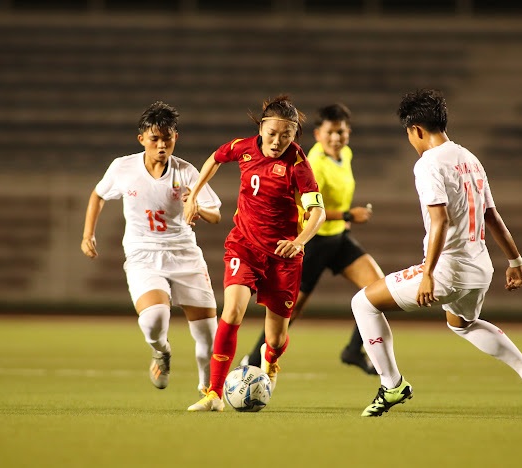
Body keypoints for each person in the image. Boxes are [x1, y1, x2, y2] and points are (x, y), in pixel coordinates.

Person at [351, 89, 522, 417]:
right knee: (462, 323)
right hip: (481, 269)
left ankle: (392, 386)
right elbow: (492, 216)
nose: (411, 142)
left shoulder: (428, 163)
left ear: (416, 129)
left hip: (448, 269)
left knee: (362, 303)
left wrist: (428, 275)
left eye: (409, 135)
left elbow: (440, 219)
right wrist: (515, 260)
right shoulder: (469, 158)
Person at [185, 95, 326, 412]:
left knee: (274, 339)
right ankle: (214, 394)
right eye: (272, 133)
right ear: (261, 128)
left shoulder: (298, 164)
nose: (278, 141)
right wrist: (193, 195)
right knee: (232, 312)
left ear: (294, 135)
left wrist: (300, 240)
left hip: (283, 257)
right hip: (244, 246)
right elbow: (215, 158)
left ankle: (271, 361)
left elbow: (318, 211)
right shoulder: (243, 147)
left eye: (286, 135)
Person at [81, 101, 222, 395]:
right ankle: (162, 351)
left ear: (175, 138)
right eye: (154, 138)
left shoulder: (185, 172)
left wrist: (194, 205)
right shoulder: (124, 168)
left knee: (208, 336)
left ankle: (207, 390)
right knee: (155, 320)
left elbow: (215, 214)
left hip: (185, 255)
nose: (161, 145)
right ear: (142, 139)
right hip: (143, 255)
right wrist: (87, 235)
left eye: (166, 138)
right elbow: (98, 195)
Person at [242, 103, 383, 375]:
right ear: (318, 134)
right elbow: (308, 209)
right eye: (330, 132)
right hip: (313, 243)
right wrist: (348, 215)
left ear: (348, 133)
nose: (336, 138)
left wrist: (345, 221)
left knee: (378, 289)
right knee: (288, 313)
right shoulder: (313, 163)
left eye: (340, 132)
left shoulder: (346, 155)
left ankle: (353, 350)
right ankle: (252, 361)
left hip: (339, 239)